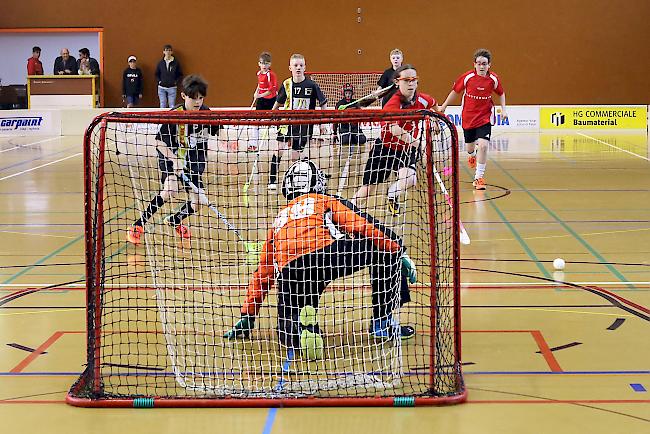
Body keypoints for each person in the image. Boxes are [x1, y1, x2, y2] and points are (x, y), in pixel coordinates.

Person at [224, 159, 417, 355]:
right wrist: (398, 249)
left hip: (291, 273)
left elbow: (264, 273)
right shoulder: (325, 200)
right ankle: (382, 322)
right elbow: (362, 225)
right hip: (325, 256)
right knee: (383, 249)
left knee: (287, 331)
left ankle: (297, 331)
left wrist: (248, 314)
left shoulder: (279, 220)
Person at [126, 75, 221, 245]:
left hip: (194, 163)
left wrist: (229, 143)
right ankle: (138, 225)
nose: (198, 102)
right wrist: (174, 159)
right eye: (193, 98)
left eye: (201, 98)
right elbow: (158, 142)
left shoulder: (206, 112)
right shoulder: (175, 115)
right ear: (184, 96)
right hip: (171, 158)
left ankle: (175, 220)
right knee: (171, 189)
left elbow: (218, 131)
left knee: (198, 202)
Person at [352, 64, 439, 216]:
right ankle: (348, 210)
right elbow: (394, 129)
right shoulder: (392, 103)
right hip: (385, 149)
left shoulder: (422, 100)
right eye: (406, 80)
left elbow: (434, 104)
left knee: (410, 179)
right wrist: (419, 144)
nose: (410, 83)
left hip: (406, 149)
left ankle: (392, 194)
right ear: (397, 82)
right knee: (367, 190)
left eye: (413, 80)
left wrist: (436, 119)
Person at [439, 48, 507, 190]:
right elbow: (455, 91)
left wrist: (503, 109)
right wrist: (444, 106)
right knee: (470, 147)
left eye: (485, 64)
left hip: (485, 118)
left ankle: (479, 177)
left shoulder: (493, 79)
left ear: (489, 65)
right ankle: (472, 154)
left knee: (483, 145)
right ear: (474, 64)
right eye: (479, 63)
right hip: (468, 118)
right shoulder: (467, 77)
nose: (482, 66)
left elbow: (501, 93)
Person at [267, 53, 328, 190]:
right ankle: (272, 180)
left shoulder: (312, 85)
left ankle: (294, 181)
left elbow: (323, 102)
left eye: (301, 65)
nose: (298, 68)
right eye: (295, 65)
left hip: (303, 126)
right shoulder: (286, 84)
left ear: (305, 67)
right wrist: (272, 114)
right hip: (286, 123)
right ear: (290, 68)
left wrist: (323, 122)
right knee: (279, 150)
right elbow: (279, 101)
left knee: (295, 157)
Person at [248, 51, 278, 151]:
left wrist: (260, 95)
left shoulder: (271, 75)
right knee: (256, 121)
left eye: (266, 63)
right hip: (262, 100)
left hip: (271, 100)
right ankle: (253, 144)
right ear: (259, 64)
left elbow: (271, 90)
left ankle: (284, 140)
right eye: (262, 63)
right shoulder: (259, 74)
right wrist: (256, 93)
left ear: (270, 64)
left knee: (276, 121)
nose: (264, 65)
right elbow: (260, 85)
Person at [334, 83, 367, 147]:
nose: (348, 95)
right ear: (343, 93)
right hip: (344, 128)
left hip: (355, 127)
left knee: (362, 140)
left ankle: (353, 137)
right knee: (345, 141)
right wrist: (334, 133)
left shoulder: (356, 102)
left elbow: (361, 113)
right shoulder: (339, 104)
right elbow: (336, 119)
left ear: (352, 93)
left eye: (349, 93)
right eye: (346, 93)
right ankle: (350, 137)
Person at [155, 44, 183, 108]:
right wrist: (159, 81)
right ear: (163, 52)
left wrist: (175, 81)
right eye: (166, 50)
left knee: (172, 105)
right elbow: (157, 73)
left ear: (171, 52)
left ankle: (170, 118)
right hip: (161, 87)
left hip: (172, 87)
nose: (168, 52)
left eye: (169, 50)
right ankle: (161, 118)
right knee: (162, 105)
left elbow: (180, 74)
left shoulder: (176, 63)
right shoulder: (161, 63)